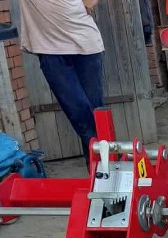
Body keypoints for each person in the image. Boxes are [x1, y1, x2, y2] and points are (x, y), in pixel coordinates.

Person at [20, 0, 105, 159]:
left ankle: (102, 167)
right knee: (78, 112)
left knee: (96, 111)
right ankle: (107, 157)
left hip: (85, 45)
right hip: (50, 49)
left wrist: (88, 3)